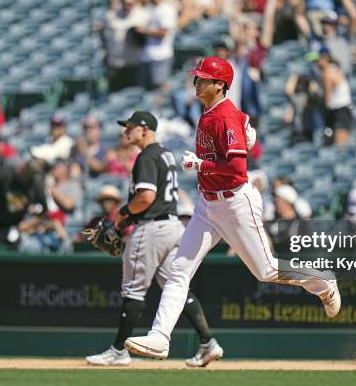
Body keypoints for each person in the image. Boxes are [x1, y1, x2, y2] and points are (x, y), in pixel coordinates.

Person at [124, 56, 340, 360]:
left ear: (219, 84)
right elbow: (236, 132)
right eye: (196, 78)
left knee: (266, 270)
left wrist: (202, 163)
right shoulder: (212, 112)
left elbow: (237, 169)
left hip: (235, 201)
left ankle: (322, 281)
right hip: (207, 205)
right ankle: (160, 337)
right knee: (179, 271)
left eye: (202, 79)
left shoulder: (223, 115)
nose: (196, 83)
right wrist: (243, 126)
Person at [86, 111, 223, 368]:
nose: (126, 132)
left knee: (133, 290)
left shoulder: (147, 156)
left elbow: (146, 198)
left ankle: (118, 351)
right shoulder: (165, 154)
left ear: (145, 129)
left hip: (151, 228)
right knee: (177, 287)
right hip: (172, 227)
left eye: (130, 127)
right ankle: (207, 343)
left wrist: (122, 215)